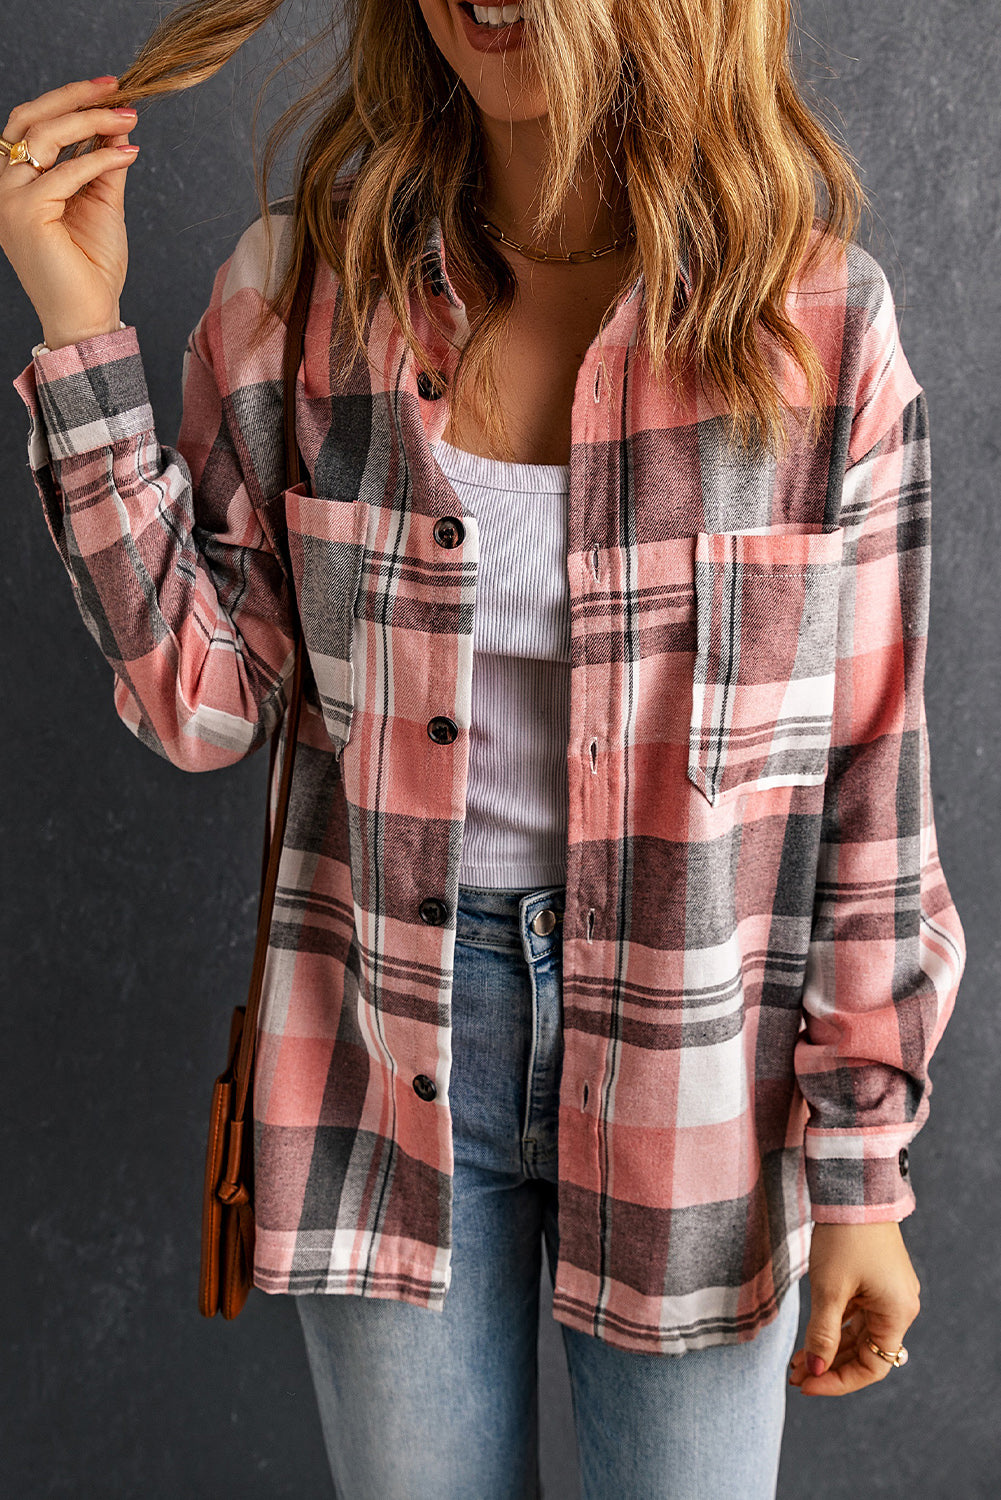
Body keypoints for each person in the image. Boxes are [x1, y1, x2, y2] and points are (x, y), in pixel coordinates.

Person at [0, 2, 966, 1497]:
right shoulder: (303, 295)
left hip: (699, 1083)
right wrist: (80, 333)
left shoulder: (819, 327)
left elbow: (871, 785)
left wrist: (862, 1176)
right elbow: (202, 704)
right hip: (382, 1049)